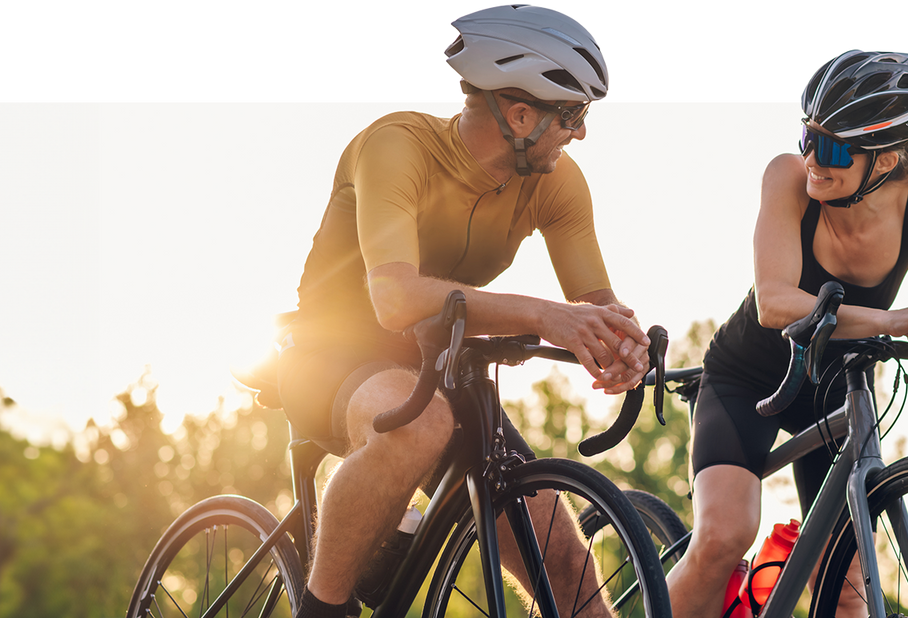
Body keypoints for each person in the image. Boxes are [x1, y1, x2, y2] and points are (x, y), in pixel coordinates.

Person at [273, 3, 650, 616]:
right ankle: (321, 608)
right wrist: (544, 316)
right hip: (330, 349)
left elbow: (595, 302)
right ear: (519, 113)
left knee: (566, 559)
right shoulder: (396, 146)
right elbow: (394, 298)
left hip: (442, 367)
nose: (580, 131)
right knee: (417, 426)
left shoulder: (556, 182)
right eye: (573, 114)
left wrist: (620, 338)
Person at [665, 48, 908, 618]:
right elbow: (775, 303)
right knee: (725, 536)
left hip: (835, 395)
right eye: (808, 136)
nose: (813, 158)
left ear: (889, 157)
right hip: (749, 379)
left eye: (835, 147)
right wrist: (895, 320)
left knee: (847, 585)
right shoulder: (788, 178)